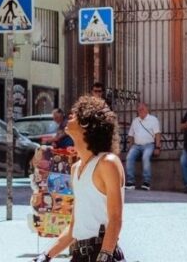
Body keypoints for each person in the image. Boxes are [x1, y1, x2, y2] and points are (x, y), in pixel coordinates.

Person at [33, 94, 125, 262]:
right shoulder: (75, 169)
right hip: (79, 255)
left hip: (103, 251)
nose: (70, 115)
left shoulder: (108, 163)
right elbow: (75, 228)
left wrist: (104, 256)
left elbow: (115, 218)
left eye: (76, 113)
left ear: (86, 123)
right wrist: (45, 256)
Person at [124, 101, 161, 190]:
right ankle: (130, 182)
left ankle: (146, 182)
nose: (141, 111)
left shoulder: (153, 119)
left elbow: (157, 134)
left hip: (149, 145)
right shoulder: (135, 121)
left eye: (142, 109)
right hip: (136, 145)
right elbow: (131, 136)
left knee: (145, 157)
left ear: (147, 109)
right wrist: (130, 147)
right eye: (139, 109)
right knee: (129, 157)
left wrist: (158, 147)